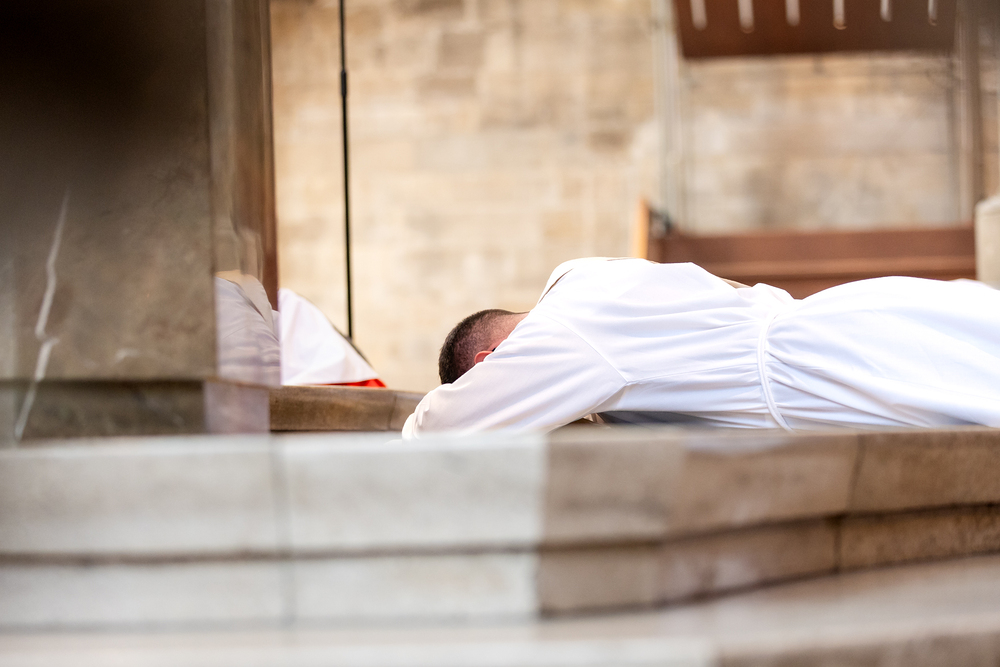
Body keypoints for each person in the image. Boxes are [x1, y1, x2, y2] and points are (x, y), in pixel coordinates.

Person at [402, 257, 1000, 438]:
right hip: (851, 316)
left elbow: (437, 430)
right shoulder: (585, 278)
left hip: (823, 374)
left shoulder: (564, 334)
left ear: (487, 366)